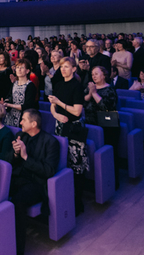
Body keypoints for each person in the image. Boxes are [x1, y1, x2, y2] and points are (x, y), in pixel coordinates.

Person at [10, 109, 60, 255]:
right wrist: (15, 154)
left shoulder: (51, 142)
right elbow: (11, 161)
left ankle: (18, 249)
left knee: (17, 202)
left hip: (36, 184)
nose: (20, 122)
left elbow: (48, 171)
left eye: (23, 120)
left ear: (33, 124)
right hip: (18, 178)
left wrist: (25, 157)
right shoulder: (20, 136)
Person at [49, 57, 88, 213]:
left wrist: (59, 103)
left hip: (74, 127)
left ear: (74, 69)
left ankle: (78, 202)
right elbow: (52, 106)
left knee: (76, 164)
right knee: (63, 161)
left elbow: (77, 111)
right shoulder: (58, 85)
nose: (63, 69)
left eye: (66, 66)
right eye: (61, 67)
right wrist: (56, 114)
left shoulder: (77, 86)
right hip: (60, 125)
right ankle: (66, 197)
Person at [0, 58, 38, 128]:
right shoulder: (14, 83)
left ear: (27, 71)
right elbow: (9, 97)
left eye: (22, 68)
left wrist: (10, 105)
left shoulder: (30, 86)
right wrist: (4, 102)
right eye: (17, 67)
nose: (19, 70)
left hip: (23, 117)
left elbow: (28, 106)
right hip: (10, 116)